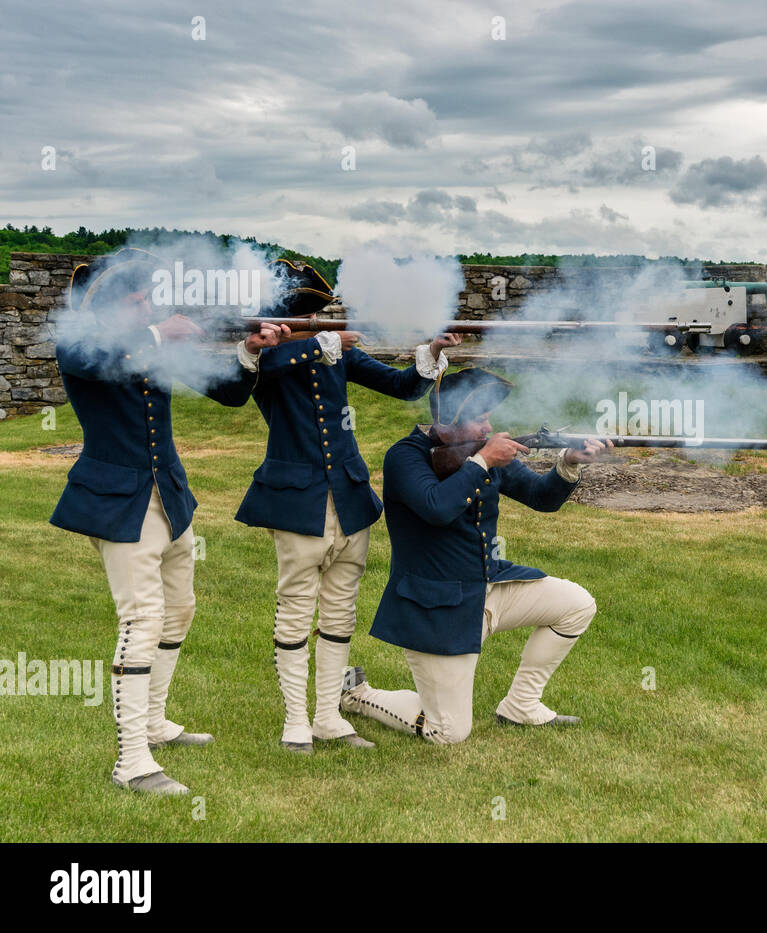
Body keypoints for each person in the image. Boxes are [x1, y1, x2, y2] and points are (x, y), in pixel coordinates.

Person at [50, 248, 289, 796]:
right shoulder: (82, 343)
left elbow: (228, 394)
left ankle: (154, 725)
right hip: (119, 503)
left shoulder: (147, 344)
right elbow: (95, 360)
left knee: (180, 608)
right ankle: (130, 761)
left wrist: (250, 351)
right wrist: (159, 334)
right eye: (136, 297)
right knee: (141, 621)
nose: (146, 302)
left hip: (169, 498)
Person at [233, 260, 461, 753]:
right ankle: (296, 720)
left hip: (351, 498)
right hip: (299, 505)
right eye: (310, 315)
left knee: (340, 614)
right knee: (295, 613)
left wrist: (433, 352)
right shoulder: (267, 359)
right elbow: (253, 371)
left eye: (321, 315)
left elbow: (402, 387)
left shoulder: (333, 355)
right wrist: (320, 343)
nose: (322, 321)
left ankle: (328, 716)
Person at [340, 367, 611, 744]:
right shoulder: (405, 457)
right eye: (479, 419)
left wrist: (568, 463)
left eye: (488, 418)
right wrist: (482, 461)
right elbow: (437, 507)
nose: (488, 428)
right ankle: (358, 694)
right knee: (448, 732)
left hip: (486, 587)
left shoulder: (479, 453)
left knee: (578, 604)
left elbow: (540, 497)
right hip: (437, 609)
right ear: (446, 421)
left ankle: (521, 705)